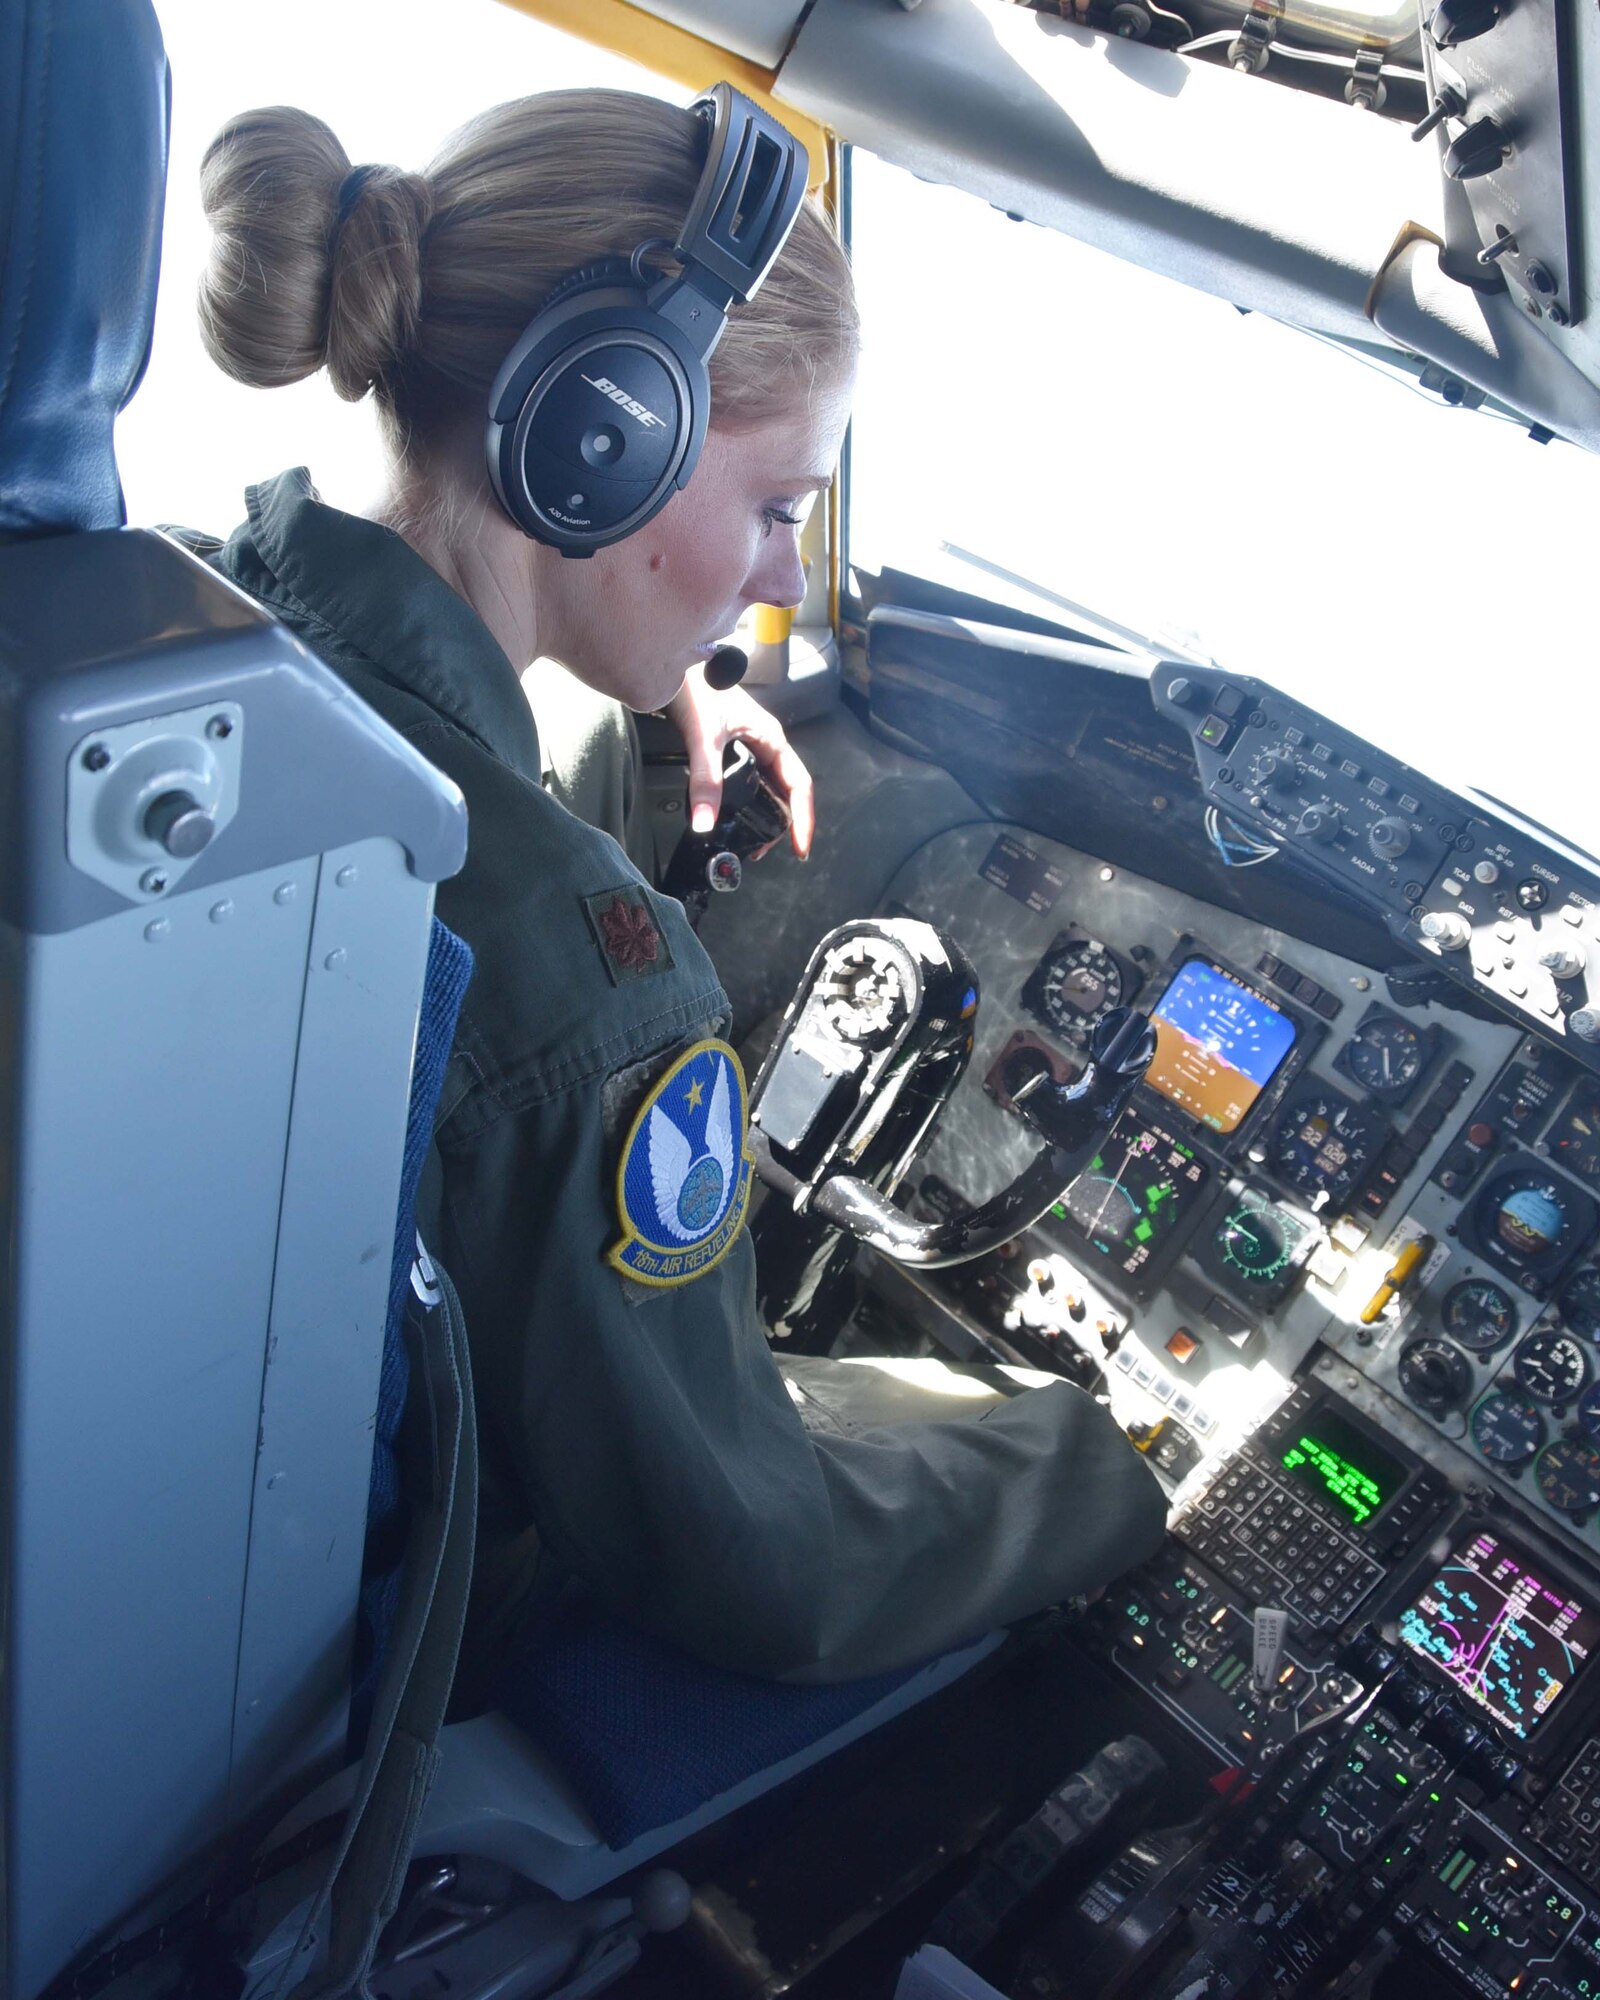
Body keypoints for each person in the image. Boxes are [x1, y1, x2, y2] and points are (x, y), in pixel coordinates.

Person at [190, 87, 1167, 1695]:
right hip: (311, 1674)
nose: (788, 578)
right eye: (779, 508)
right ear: (602, 442)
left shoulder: (186, 614)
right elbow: (761, 1560)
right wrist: (1097, 1459)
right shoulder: (573, 973)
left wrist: (646, 680)